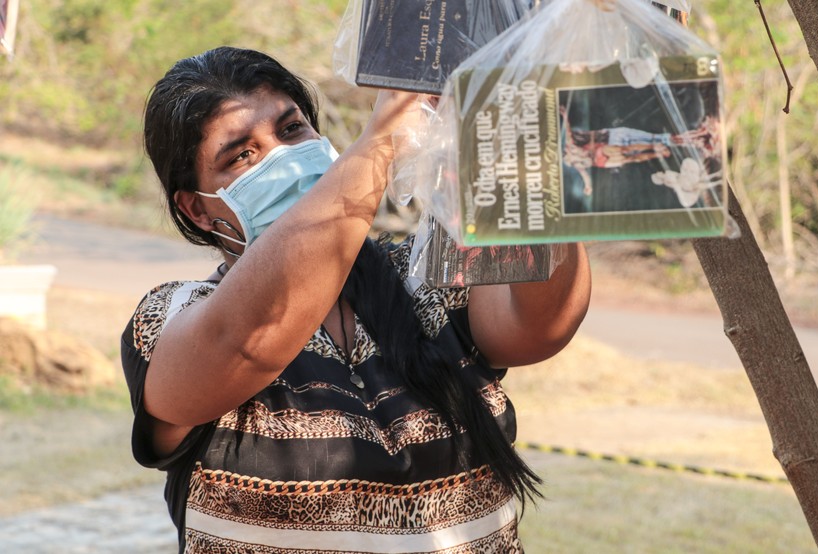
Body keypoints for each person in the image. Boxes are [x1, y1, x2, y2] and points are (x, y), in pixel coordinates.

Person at [121, 46, 591, 553]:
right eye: (242, 155)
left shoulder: (424, 278)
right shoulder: (169, 318)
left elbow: (542, 324)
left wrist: (540, 166)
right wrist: (380, 144)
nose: (282, 159)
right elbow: (250, 337)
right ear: (196, 209)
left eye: (291, 129)